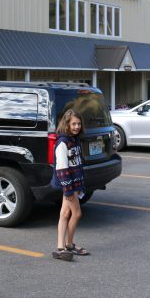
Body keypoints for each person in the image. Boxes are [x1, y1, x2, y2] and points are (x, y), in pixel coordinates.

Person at [52, 109, 90, 261]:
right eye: (73, 124)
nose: (76, 127)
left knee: (65, 214)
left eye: (79, 124)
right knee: (77, 213)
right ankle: (69, 245)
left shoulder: (75, 140)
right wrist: (68, 190)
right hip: (69, 185)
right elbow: (61, 169)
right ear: (66, 124)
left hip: (74, 184)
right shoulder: (63, 143)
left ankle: (60, 248)